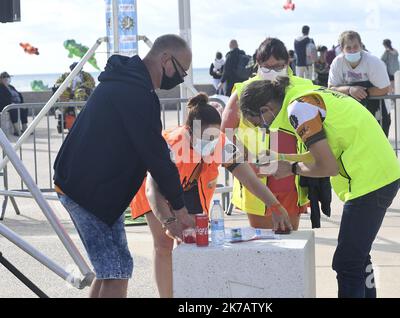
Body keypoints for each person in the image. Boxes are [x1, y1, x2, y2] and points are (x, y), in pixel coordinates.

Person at [54, 34, 195, 298]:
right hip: (87, 192)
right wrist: (180, 208)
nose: (180, 78)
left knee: (112, 269)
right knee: (117, 273)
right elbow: (156, 158)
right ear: (165, 59)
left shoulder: (129, 84)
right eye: (180, 71)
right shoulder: (134, 91)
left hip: (95, 191)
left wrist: (170, 215)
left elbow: (154, 155)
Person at [239, 77, 400, 298]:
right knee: (358, 258)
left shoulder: (300, 109)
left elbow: (327, 166)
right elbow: (322, 153)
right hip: (378, 174)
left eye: (259, 122)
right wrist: (284, 160)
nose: (263, 127)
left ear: (266, 109)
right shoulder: (302, 95)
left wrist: (293, 168)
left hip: (370, 181)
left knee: (346, 263)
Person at [130, 93, 292, 298]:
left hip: (190, 186)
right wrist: (169, 221)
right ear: (189, 131)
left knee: (196, 241)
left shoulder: (221, 143)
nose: (212, 143)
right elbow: (153, 190)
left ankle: (192, 294)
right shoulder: (172, 144)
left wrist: (275, 206)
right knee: (164, 244)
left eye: (215, 137)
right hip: (158, 191)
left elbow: (250, 179)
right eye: (206, 138)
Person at [221, 37, 315, 231]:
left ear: (288, 62)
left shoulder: (304, 87)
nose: (272, 72)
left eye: (278, 66)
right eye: (267, 67)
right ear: (258, 63)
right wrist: (247, 158)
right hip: (257, 180)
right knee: (263, 246)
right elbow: (224, 134)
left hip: (293, 178)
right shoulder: (243, 91)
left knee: (290, 242)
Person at [329, 31, 391, 137]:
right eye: (348, 48)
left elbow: (385, 88)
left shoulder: (373, 62)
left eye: (355, 47)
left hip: (378, 112)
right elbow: (331, 88)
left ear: (361, 46)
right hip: (350, 114)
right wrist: (350, 90)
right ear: (342, 49)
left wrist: (362, 93)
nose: (352, 50)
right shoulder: (337, 63)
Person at [53, 62, 96, 133]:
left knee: (80, 91)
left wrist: (82, 85)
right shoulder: (65, 75)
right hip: (68, 92)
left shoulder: (85, 75)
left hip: (79, 92)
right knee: (63, 93)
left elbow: (91, 82)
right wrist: (65, 86)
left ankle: (79, 109)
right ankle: (61, 110)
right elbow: (57, 83)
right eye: (73, 68)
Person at [0, 72, 27, 137]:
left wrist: (22, 104)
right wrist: (11, 104)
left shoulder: (11, 87)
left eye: (7, 76)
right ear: (0, 79)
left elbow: (19, 94)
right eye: (4, 77)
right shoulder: (1, 88)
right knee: (14, 110)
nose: (6, 78)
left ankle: (24, 127)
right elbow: (2, 99)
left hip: (16, 104)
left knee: (24, 109)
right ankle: (17, 130)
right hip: (6, 106)